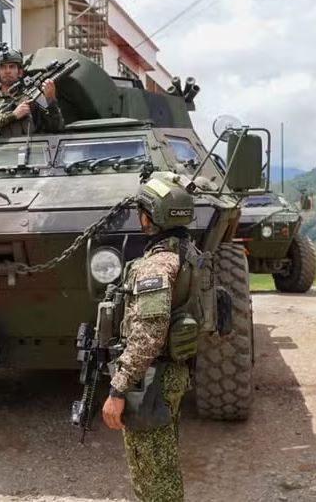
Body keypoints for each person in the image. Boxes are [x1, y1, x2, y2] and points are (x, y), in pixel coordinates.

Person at [102, 175, 194, 502]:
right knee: (162, 464)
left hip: (152, 381)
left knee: (153, 475)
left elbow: (148, 336)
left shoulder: (156, 267)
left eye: (142, 211)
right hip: (174, 374)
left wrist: (118, 388)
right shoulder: (189, 255)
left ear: (149, 216)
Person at [0, 48, 64, 136]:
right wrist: (13, 115)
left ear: (20, 72)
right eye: (3, 67)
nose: (7, 71)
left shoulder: (35, 96)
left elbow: (56, 127)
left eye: (12, 67)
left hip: (33, 149)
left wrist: (51, 99)